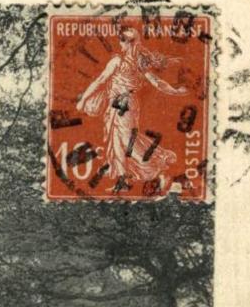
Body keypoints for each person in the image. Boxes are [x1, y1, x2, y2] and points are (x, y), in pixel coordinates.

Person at [76, 25, 188, 192]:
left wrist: (83, 100)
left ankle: (157, 167)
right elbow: (157, 83)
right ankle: (123, 180)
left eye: (123, 40)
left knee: (127, 141)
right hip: (121, 104)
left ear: (128, 43)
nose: (121, 43)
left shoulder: (119, 62)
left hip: (124, 105)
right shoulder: (138, 64)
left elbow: (100, 81)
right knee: (117, 141)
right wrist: (175, 91)